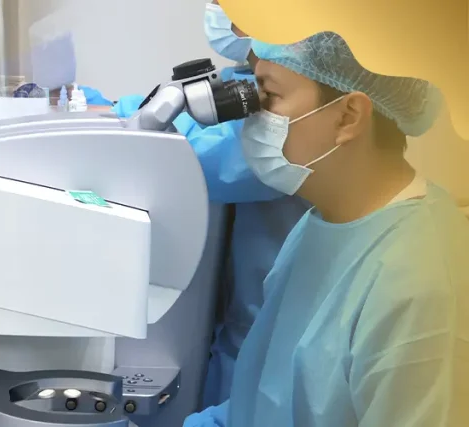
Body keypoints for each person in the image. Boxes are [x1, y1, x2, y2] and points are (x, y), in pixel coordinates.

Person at [185, 31, 467, 426]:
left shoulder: (424, 286)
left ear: (349, 117)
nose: (250, 117)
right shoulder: (322, 223)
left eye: (269, 98)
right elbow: (257, 411)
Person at [83, 0, 312, 407]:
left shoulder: (303, 103)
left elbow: (207, 157)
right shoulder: (265, 74)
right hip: (248, 324)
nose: (217, 11)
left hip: (272, 334)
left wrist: (121, 118)